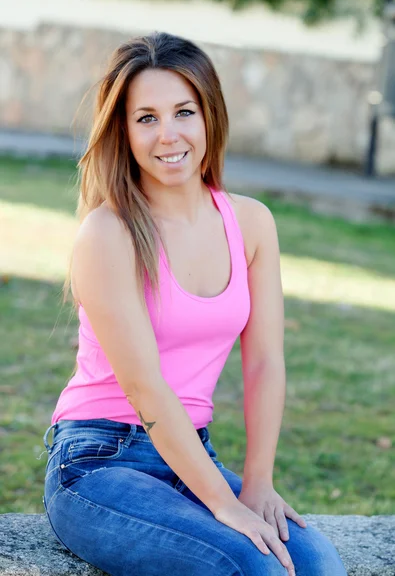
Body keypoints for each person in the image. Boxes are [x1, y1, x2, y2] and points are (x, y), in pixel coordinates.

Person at [42, 31, 347, 576]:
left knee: (317, 564)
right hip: (97, 463)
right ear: (124, 131)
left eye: (183, 111)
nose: (168, 135)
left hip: (190, 455)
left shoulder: (251, 223)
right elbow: (145, 388)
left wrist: (256, 484)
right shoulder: (108, 232)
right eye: (146, 118)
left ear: (210, 116)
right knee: (253, 567)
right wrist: (223, 504)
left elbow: (264, 361)